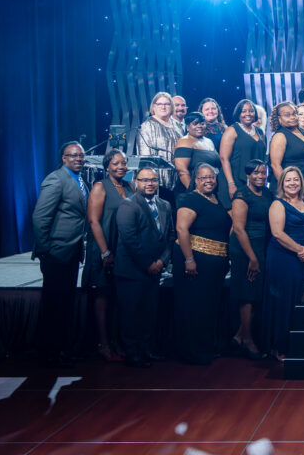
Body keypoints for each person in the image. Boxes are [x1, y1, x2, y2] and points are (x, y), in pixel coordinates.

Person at [31, 142, 88, 368]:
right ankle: (48, 353)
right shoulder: (56, 179)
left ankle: (61, 349)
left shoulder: (79, 180)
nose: (78, 159)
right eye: (73, 155)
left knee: (64, 303)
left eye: (81, 155)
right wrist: (47, 249)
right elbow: (40, 217)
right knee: (53, 305)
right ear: (63, 158)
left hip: (72, 251)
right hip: (56, 252)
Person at [173, 163, 232, 365]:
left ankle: (205, 347)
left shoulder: (216, 199)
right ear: (196, 181)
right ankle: (193, 352)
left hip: (214, 265)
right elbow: (181, 229)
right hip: (195, 262)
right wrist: (189, 259)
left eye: (211, 177)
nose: (208, 180)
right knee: (195, 307)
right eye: (203, 177)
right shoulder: (190, 198)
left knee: (208, 307)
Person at [114, 167, 172, 367]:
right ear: (136, 182)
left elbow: (170, 236)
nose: (150, 184)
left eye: (153, 180)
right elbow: (129, 239)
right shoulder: (128, 205)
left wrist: (162, 261)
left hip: (154, 271)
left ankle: (147, 350)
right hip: (132, 271)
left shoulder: (165, 205)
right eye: (145, 180)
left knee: (149, 314)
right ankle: (133, 354)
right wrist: (148, 264)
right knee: (131, 315)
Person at [82, 148, 133, 363]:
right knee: (103, 296)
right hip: (105, 246)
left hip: (123, 249)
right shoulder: (100, 187)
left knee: (119, 296)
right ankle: (103, 343)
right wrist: (105, 252)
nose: (121, 167)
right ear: (107, 166)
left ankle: (116, 341)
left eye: (123, 163)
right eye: (116, 163)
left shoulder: (130, 186)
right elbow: (93, 221)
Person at [265, 166, 304, 361]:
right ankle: (278, 346)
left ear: (301, 182)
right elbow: (278, 234)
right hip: (283, 257)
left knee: (294, 300)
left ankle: (292, 343)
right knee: (282, 302)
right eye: (288, 180)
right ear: (282, 183)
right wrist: (300, 249)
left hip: (302, 256)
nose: (292, 183)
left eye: (296, 179)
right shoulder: (278, 204)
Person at [229, 160, 274, 360]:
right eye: (256, 173)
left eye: (263, 173)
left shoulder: (267, 194)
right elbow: (238, 229)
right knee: (247, 295)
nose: (260, 176)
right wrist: (252, 258)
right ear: (248, 175)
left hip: (261, 246)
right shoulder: (242, 195)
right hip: (245, 249)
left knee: (256, 294)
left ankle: (239, 336)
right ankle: (247, 340)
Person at [219, 99, 266, 209]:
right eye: (244, 111)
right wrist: (231, 183)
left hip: (253, 181)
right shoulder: (232, 130)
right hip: (235, 178)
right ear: (238, 114)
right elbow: (224, 158)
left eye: (251, 111)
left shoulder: (260, 132)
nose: (248, 114)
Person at [137, 92, 182, 190]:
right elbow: (145, 157)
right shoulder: (147, 126)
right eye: (159, 104)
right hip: (158, 180)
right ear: (154, 107)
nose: (163, 107)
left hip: (179, 177)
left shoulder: (178, 126)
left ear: (171, 106)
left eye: (167, 104)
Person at [173, 112, 221, 197]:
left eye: (202, 123)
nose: (199, 126)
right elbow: (182, 171)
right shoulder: (184, 142)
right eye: (195, 124)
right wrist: (195, 193)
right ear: (187, 127)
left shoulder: (209, 141)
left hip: (210, 188)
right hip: (191, 191)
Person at [268, 102, 304, 192]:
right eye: (287, 115)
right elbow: (275, 165)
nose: (292, 117)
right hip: (290, 189)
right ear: (279, 119)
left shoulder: (302, 131)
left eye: (294, 114)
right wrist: (288, 189)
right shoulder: (280, 136)